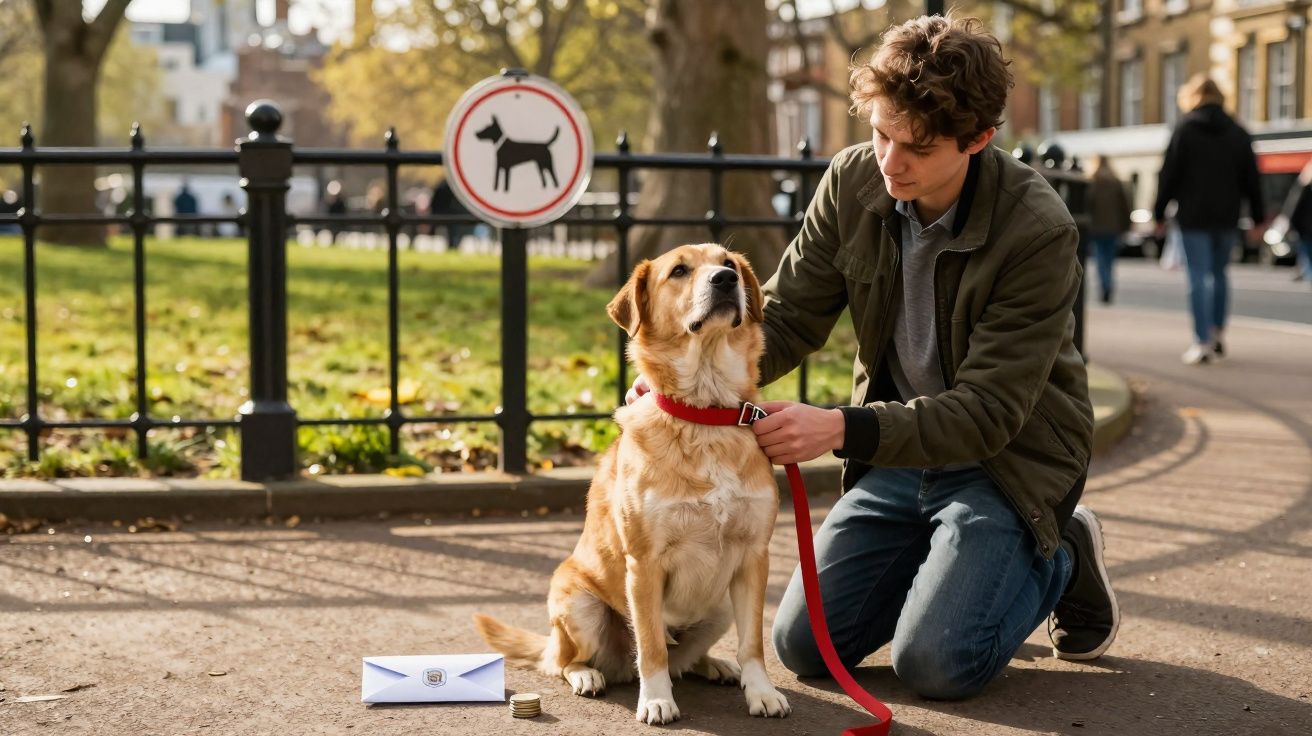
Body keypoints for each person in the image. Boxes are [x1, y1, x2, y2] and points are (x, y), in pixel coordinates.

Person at [627, 14, 1115, 701]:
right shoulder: (854, 180)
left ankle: (1060, 554)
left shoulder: (1036, 229)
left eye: (916, 147)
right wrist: (681, 388)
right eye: (882, 134)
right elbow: (786, 316)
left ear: (978, 138)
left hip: (1007, 465)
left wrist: (839, 428)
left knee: (938, 664)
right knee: (803, 648)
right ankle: (945, 566)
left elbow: (988, 411)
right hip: (901, 459)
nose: (890, 162)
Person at [1153, 74, 1265, 365]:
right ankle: (1216, 333)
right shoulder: (1238, 132)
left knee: (1198, 276)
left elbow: (1168, 175)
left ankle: (1201, 341)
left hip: (1193, 215)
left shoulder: (1184, 129)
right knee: (1219, 275)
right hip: (1228, 215)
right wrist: (1258, 217)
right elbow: (1252, 179)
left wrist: (1158, 212)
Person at [1086, 155, 1132, 303]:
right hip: (1113, 227)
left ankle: (1104, 285)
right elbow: (1125, 205)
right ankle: (1109, 284)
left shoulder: (1092, 181)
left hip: (1097, 227)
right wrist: (1126, 225)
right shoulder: (1116, 182)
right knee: (1110, 259)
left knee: (1100, 258)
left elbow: (1088, 204)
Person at [1272, 159, 1312, 285]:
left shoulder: (1302, 188)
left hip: (1305, 228)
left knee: (1306, 251)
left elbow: (1294, 207)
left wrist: (1289, 222)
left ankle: (1308, 272)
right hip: (1305, 227)